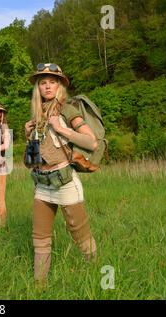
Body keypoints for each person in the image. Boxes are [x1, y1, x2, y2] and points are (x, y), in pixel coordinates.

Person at [25, 63, 98, 286]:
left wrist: (63, 129)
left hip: (65, 183)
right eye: (43, 83)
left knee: (80, 236)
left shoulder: (68, 109)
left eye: (52, 82)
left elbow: (91, 142)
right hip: (42, 185)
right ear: (38, 88)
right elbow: (30, 162)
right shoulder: (37, 116)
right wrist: (29, 136)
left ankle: (95, 274)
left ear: (60, 86)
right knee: (40, 238)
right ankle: (40, 286)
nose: (47, 87)